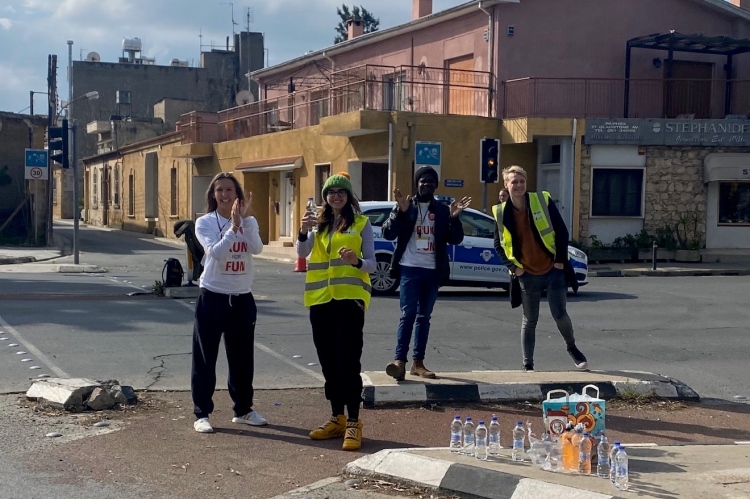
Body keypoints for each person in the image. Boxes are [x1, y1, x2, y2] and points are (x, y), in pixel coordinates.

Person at [296, 172, 376, 451]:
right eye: (331, 192)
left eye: (341, 192)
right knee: (328, 362)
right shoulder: (318, 224)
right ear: (325, 198)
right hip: (320, 301)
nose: (336, 196)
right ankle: (336, 417)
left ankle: (354, 421)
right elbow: (303, 253)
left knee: (348, 362)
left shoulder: (361, 223)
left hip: (349, 301)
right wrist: (303, 231)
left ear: (349, 196)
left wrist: (356, 261)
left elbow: (372, 264)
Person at [492, 165, 588, 372]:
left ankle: (572, 348)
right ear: (506, 185)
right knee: (530, 320)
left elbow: (561, 231)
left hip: (553, 270)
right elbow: (498, 245)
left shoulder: (541, 200)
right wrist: (514, 268)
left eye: (522, 181)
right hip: (527, 274)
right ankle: (528, 364)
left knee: (560, 314)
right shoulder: (500, 212)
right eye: (514, 182)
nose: (519, 185)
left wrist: (560, 261)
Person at [191, 172, 266, 433]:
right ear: (213, 195)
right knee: (205, 357)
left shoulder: (250, 221)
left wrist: (244, 223)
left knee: (242, 359)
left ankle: (243, 410)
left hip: (242, 297)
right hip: (213, 296)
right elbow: (216, 252)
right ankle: (202, 413)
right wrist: (233, 227)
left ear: (238, 195)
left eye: (229, 190)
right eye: (220, 190)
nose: (224, 195)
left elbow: (256, 248)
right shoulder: (204, 222)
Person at [383, 166, 470, 380]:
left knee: (424, 317)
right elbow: (387, 233)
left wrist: (454, 218)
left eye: (431, 181)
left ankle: (418, 363)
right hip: (409, 268)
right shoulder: (406, 206)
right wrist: (400, 213)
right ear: (417, 184)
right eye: (423, 181)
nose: (427, 184)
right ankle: (399, 361)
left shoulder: (441, 210)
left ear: (435, 185)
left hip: (432, 271)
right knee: (408, 314)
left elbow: (455, 239)